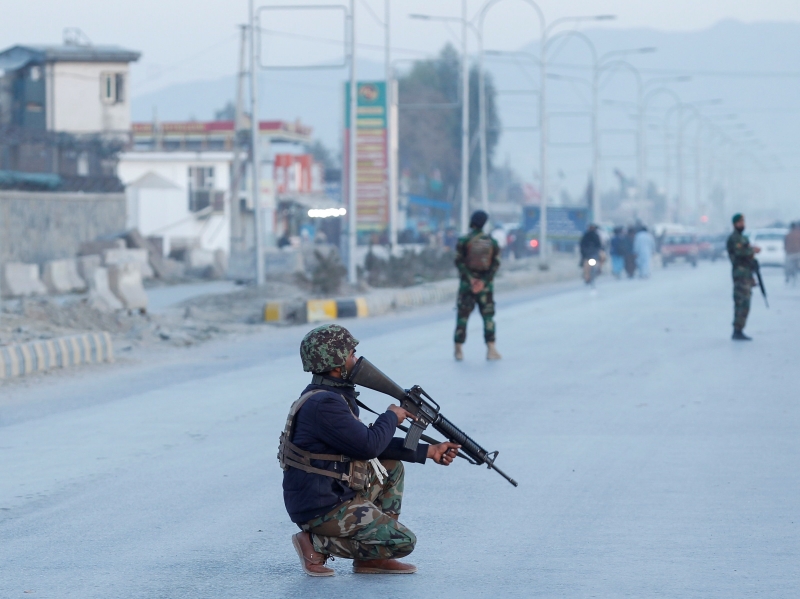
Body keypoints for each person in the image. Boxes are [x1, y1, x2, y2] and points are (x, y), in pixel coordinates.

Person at [283, 325, 460, 576]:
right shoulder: (325, 404)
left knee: (392, 468)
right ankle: (314, 544)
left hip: (331, 492)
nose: (356, 360)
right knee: (404, 541)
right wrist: (391, 416)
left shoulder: (330, 396)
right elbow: (368, 446)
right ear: (336, 362)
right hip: (322, 507)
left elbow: (365, 443)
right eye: (352, 354)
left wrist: (428, 451)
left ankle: (372, 558)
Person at [454, 210, 502, 361]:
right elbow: (495, 264)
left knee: (463, 316)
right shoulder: (492, 242)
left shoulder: (464, 241)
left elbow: (458, 262)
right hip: (485, 287)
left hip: (467, 286)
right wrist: (483, 281)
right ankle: (491, 349)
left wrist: (471, 280)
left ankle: (458, 349)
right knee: (488, 316)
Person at [726, 213, 761, 340]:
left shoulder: (743, 238)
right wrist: (753, 250)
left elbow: (748, 258)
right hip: (739, 275)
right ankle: (737, 329)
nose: (742, 224)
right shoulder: (734, 238)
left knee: (746, 303)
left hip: (746, 274)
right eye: (740, 222)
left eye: (743, 222)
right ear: (735, 224)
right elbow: (740, 253)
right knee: (741, 302)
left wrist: (752, 276)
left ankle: (740, 329)